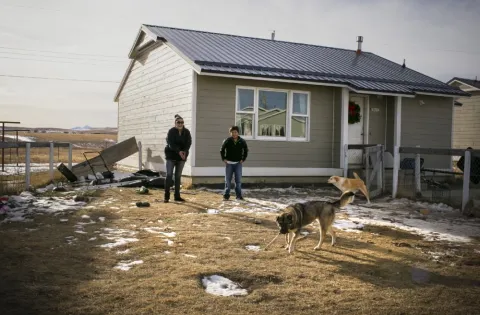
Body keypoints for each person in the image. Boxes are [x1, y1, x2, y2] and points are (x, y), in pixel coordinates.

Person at [164, 114, 192, 202]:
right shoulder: (171, 131)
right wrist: (178, 151)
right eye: (178, 122)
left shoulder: (186, 132)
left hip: (181, 157)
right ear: (175, 123)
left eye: (182, 122)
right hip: (171, 156)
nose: (180, 124)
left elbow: (189, 142)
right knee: (169, 175)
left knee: (178, 176)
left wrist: (184, 151)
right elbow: (170, 143)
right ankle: (166, 196)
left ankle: (177, 196)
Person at [220, 126, 249, 201]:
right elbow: (222, 150)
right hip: (229, 163)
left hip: (238, 164)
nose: (234, 134)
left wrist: (243, 159)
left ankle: (239, 195)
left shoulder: (242, 141)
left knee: (238, 180)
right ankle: (226, 195)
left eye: (235, 132)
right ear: (230, 133)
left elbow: (246, 150)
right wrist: (224, 159)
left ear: (238, 132)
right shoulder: (227, 140)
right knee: (228, 180)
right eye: (232, 132)